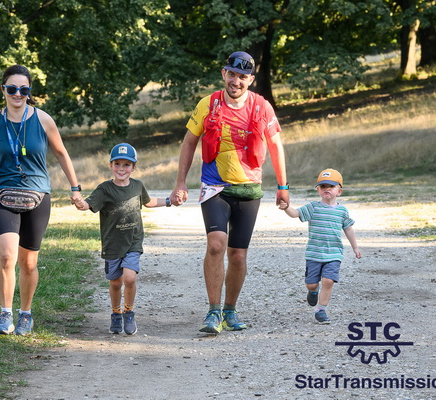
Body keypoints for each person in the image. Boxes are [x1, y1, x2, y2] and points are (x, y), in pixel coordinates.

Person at [169, 51, 289, 334]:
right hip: (215, 187)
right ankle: (213, 312)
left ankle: (230, 311)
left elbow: (275, 146)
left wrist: (283, 187)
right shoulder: (208, 104)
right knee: (216, 244)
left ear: (251, 80)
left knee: (237, 255)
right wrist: (181, 182)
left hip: (248, 189)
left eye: (242, 77)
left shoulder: (262, 107)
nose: (236, 81)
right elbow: (189, 143)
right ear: (224, 74)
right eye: (232, 74)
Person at [0, 64, 83, 335]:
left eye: (23, 90)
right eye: (12, 88)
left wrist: (75, 188)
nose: (18, 94)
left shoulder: (43, 120)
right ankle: (5, 314)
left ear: (29, 92)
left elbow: (61, 153)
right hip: (2, 194)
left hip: (37, 196)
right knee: (6, 255)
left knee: (29, 262)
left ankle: (25, 314)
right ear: (3, 89)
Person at [75, 143, 171, 335]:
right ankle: (116, 313)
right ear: (111, 165)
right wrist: (81, 203)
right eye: (117, 164)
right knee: (115, 283)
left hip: (133, 241)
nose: (121, 168)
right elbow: (88, 204)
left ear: (133, 167)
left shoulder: (138, 186)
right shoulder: (105, 189)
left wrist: (169, 201)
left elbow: (148, 202)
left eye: (126, 165)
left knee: (129, 277)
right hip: (112, 244)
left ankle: (128, 312)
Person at [278, 168, 361, 324]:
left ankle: (321, 310)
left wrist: (355, 247)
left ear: (339, 191)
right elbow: (295, 213)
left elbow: (348, 229)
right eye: (323, 186)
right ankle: (313, 291)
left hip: (334, 254)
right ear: (318, 190)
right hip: (314, 253)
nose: (327, 189)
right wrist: (286, 207)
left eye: (331, 186)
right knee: (311, 284)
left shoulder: (342, 211)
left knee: (328, 281)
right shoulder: (313, 207)